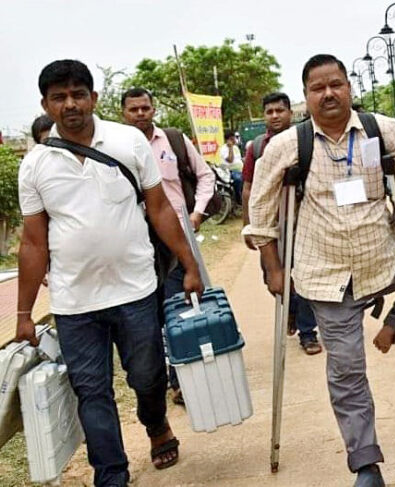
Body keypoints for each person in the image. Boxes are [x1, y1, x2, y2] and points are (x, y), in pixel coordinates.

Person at [249, 54, 395, 486]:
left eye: (336, 84)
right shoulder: (288, 145)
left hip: (381, 258)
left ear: (350, 87)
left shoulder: (384, 131)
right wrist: (272, 266)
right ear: (306, 96)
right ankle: (366, 463)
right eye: (318, 88)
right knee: (347, 370)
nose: (329, 93)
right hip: (326, 274)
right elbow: (261, 211)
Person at [15, 60, 203, 486]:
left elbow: (159, 209)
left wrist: (190, 266)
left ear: (94, 98)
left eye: (78, 94)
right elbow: (33, 242)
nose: (70, 104)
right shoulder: (36, 164)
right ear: (46, 104)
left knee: (148, 375)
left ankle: (155, 425)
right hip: (73, 302)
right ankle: (111, 474)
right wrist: (25, 313)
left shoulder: (127, 143)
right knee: (92, 390)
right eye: (59, 97)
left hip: (136, 290)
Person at [121, 87, 216, 402]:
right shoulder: (117, 148)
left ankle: (182, 380)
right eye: (133, 109)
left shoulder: (174, 140)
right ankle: (163, 375)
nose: (140, 114)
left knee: (180, 303)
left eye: (145, 108)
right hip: (136, 241)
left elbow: (205, 176)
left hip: (177, 236)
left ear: (153, 109)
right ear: (124, 113)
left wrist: (197, 212)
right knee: (150, 310)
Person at [241, 91, 321, 355]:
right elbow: (248, 187)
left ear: (290, 113)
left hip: (302, 219)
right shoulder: (256, 148)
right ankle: (292, 309)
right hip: (270, 222)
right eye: (269, 111)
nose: (274, 116)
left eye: (280, 111)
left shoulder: (306, 140)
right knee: (272, 276)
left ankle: (308, 333)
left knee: (303, 275)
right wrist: (248, 225)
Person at [220, 130, 243, 202]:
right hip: (232, 170)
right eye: (232, 139)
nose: (234, 140)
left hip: (241, 169)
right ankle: (238, 197)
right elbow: (230, 160)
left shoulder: (235, 147)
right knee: (238, 179)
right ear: (228, 140)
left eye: (234, 138)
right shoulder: (223, 149)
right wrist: (230, 148)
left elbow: (239, 159)